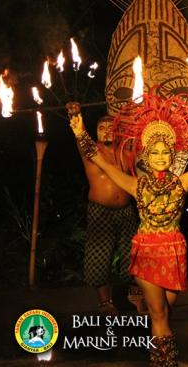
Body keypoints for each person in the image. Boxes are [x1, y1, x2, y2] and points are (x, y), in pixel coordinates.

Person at [68, 93, 188, 367]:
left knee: (164, 314)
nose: (160, 157)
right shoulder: (136, 185)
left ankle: (157, 357)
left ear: (172, 155)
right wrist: (80, 132)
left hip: (174, 252)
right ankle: (166, 362)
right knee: (158, 314)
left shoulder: (182, 182)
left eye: (165, 152)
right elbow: (98, 160)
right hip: (147, 251)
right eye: (155, 152)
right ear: (147, 155)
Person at [70, 111, 143, 315]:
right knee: (99, 257)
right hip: (100, 211)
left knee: (133, 255)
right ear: (96, 133)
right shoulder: (92, 151)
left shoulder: (127, 152)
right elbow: (80, 136)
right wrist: (76, 118)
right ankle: (105, 303)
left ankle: (133, 299)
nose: (106, 131)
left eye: (111, 127)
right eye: (101, 128)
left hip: (126, 210)